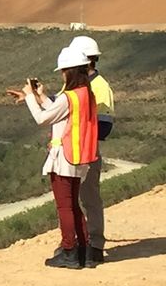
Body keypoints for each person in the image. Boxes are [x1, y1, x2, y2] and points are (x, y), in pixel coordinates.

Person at [10, 46, 99, 269]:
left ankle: (69, 252)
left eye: (63, 71)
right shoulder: (85, 95)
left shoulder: (69, 97)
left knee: (64, 207)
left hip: (64, 157)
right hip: (80, 156)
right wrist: (40, 95)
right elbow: (61, 115)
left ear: (69, 71)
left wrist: (31, 97)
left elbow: (43, 119)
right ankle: (84, 253)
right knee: (74, 206)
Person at [70, 35, 115, 265]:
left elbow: (105, 125)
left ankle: (94, 245)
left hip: (86, 151)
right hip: (71, 152)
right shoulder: (75, 85)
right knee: (70, 200)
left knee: (89, 198)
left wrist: (82, 131)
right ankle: (76, 242)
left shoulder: (99, 86)